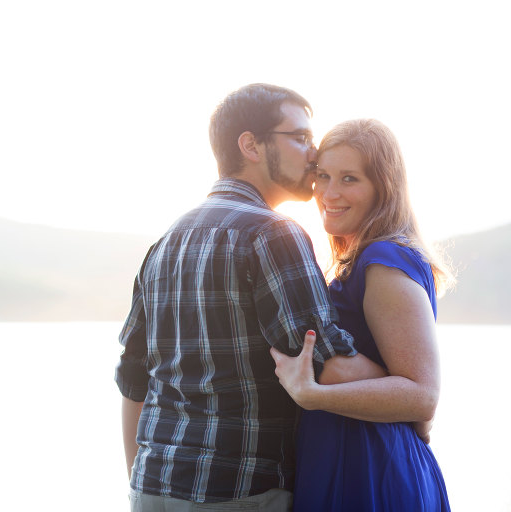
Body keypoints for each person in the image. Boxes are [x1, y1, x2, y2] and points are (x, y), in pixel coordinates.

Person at [115, 84, 385, 512]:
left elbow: (133, 382)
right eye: (299, 137)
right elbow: (326, 364)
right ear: (250, 145)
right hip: (239, 492)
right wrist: (405, 388)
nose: (312, 153)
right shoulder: (273, 233)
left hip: (152, 487)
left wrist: (141, 484)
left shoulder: (165, 242)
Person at [270, 119, 452, 511]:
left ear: (382, 189)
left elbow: (422, 395)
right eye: (323, 176)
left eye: (349, 179)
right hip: (348, 456)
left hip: (371, 469)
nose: (330, 193)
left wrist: (312, 396)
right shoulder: (359, 261)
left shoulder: (383, 261)